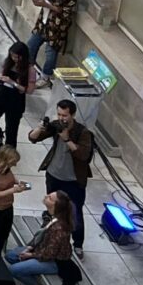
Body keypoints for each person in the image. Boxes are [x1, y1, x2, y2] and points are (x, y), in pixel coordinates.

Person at [28, 98, 94, 251]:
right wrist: (39, 128)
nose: (61, 118)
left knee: (75, 211)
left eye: (64, 115)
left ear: (72, 115)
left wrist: (67, 139)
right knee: (53, 208)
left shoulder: (83, 132)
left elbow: (83, 155)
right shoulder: (56, 125)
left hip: (73, 180)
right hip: (54, 175)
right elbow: (33, 138)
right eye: (59, 114)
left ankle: (77, 244)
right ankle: (51, 235)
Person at [5, 189, 77, 285]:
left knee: (13, 270)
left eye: (50, 198)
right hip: (41, 250)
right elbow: (39, 236)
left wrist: (30, 255)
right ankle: (32, 270)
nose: (46, 196)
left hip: (54, 262)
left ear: (55, 205)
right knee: (10, 256)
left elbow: (49, 254)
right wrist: (29, 247)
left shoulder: (59, 229)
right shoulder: (49, 216)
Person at [26, 0, 77, 79]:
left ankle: (45, 77)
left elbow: (67, 11)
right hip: (43, 22)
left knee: (50, 54)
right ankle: (28, 69)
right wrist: (40, 0)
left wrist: (47, 5)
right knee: (31, 45)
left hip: (56, 27)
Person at [0, 43, 33, 152]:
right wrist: (2, 78)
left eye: (16, 56)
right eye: (12, 56)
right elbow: (3, 72)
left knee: (11, 129)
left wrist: (14, 83)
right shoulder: (8, 63)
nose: (14, 59)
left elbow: (29, 90)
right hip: (1, 94)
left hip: (16, 100)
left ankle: (9, 153)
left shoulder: (30, 70)